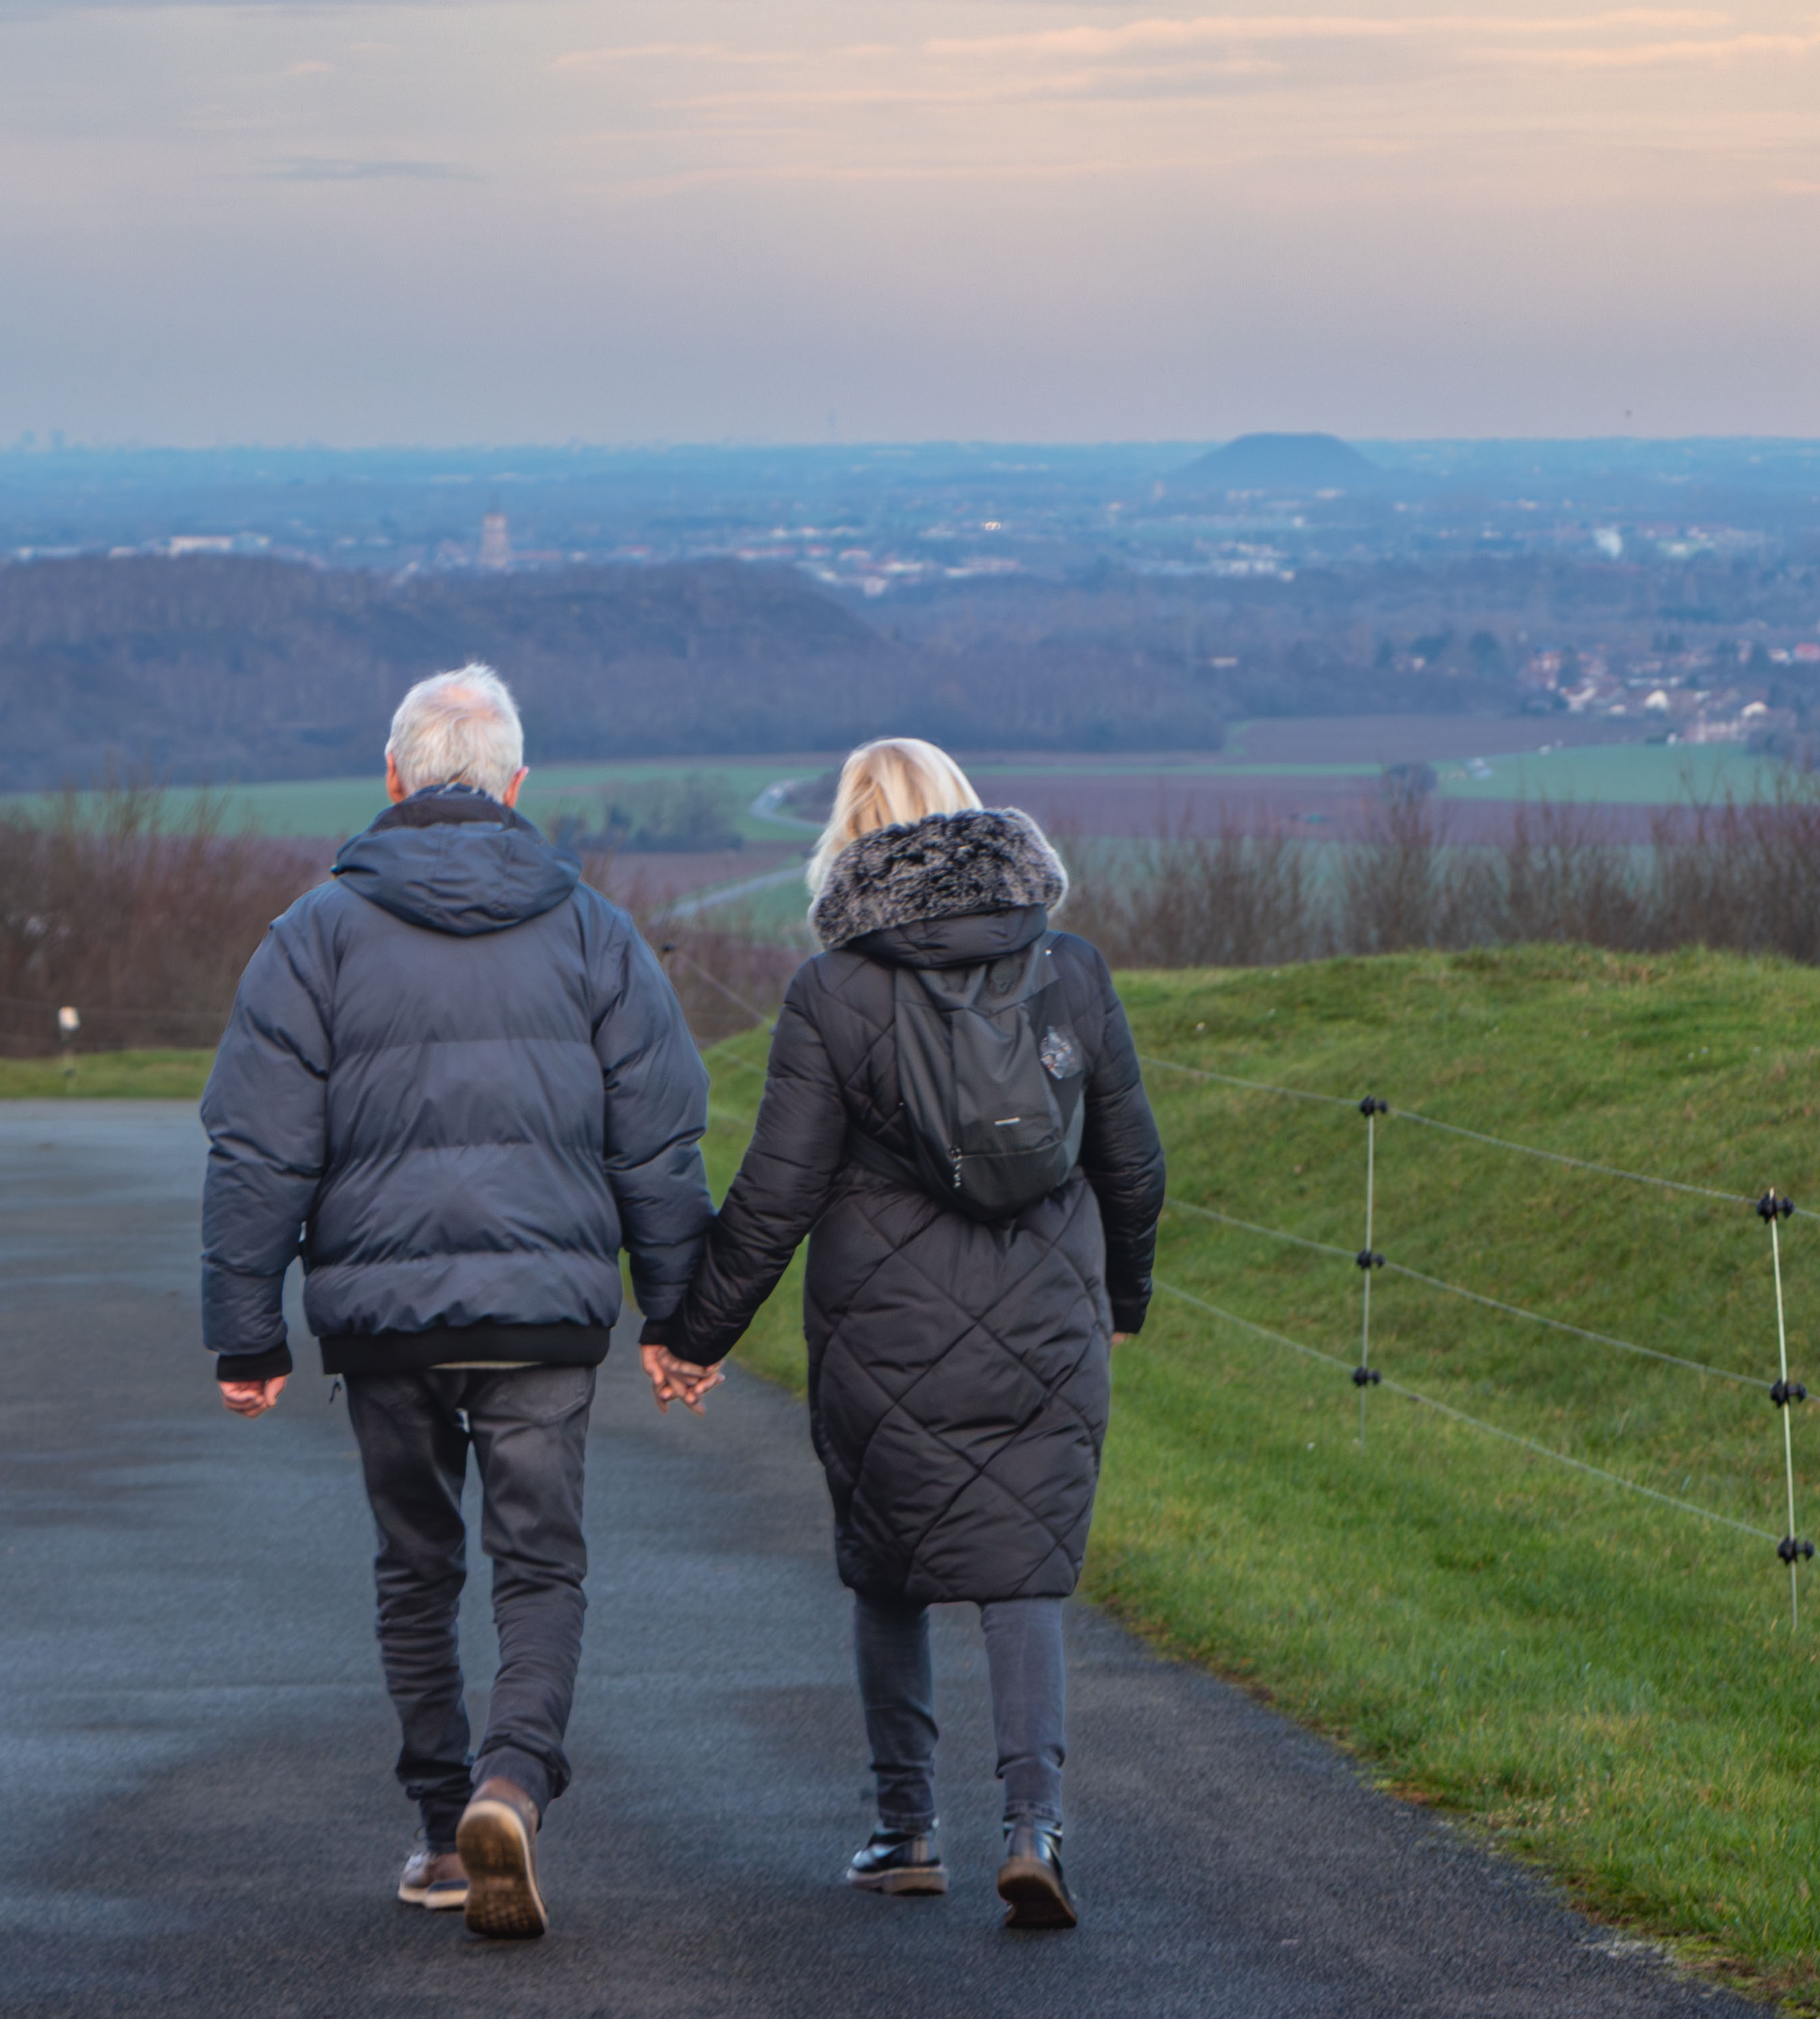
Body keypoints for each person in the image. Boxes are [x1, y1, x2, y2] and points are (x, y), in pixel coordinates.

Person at [199, 664, 713, 1940]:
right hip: (543, 1312)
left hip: (383, 1321)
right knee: (539, 1565)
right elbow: (658, 1139)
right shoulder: (595, 930)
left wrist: (248, 1331)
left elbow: (258, 1147)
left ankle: (441, 1834)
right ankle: (511, 1784)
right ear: (516, 785)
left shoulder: (313, 933)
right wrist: (679, 1318)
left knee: (416, 1567)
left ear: (392, 777)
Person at [650, 738, 1162, 1927]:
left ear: (852, 834)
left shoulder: (834, 990)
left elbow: (775, 1192)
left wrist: (696, 1334)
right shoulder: (1072, 970)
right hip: (1047, 1313)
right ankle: (1033, 1827)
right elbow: (1133, 1164)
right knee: (1026, 1569)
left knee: (889, 1567)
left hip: (885, 1324)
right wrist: (1121, 1304)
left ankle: (905, 1830)